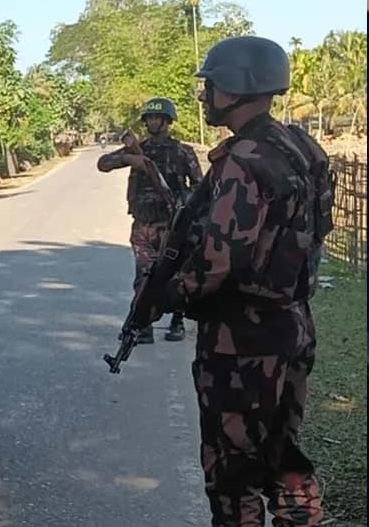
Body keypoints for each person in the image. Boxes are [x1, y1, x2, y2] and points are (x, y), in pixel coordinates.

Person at [164, 36, 329, 525]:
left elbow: (220, 258)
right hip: (294, 324)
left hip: (243, 339)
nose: (203, 94)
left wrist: (172, 294)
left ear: (236, 87)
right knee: (285, 456)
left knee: (231, 471)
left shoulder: (244, 158)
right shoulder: (302, 145)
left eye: (210, 85)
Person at [97, 97, 203, 342]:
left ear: (168, 121)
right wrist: (129, 159)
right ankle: (144, 325)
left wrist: (180, 201)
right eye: (150, 118)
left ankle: (177, 322)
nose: (154, 122)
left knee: (175, 275)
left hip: (172, 226)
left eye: (158, 118)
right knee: (144, 276)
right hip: (143, 225)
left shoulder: (182, 152)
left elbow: (200, 187)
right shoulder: (138, 150)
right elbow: (103, 164)